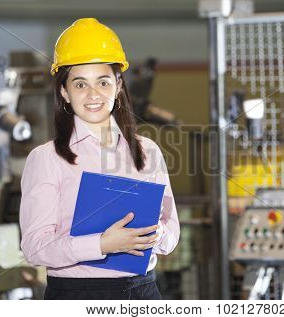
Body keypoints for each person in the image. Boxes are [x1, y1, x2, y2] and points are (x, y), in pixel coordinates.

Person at [19, 18, 180, 300]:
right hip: (77, 297)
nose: (93, 94)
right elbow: (34, 247)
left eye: (103, 82)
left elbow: (170, 239)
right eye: (80, 84)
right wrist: (102, 245)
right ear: (64, 92)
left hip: (144, 293)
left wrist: (153, 232)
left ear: (118, 85)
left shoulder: (148, 151)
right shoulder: (46, 158)